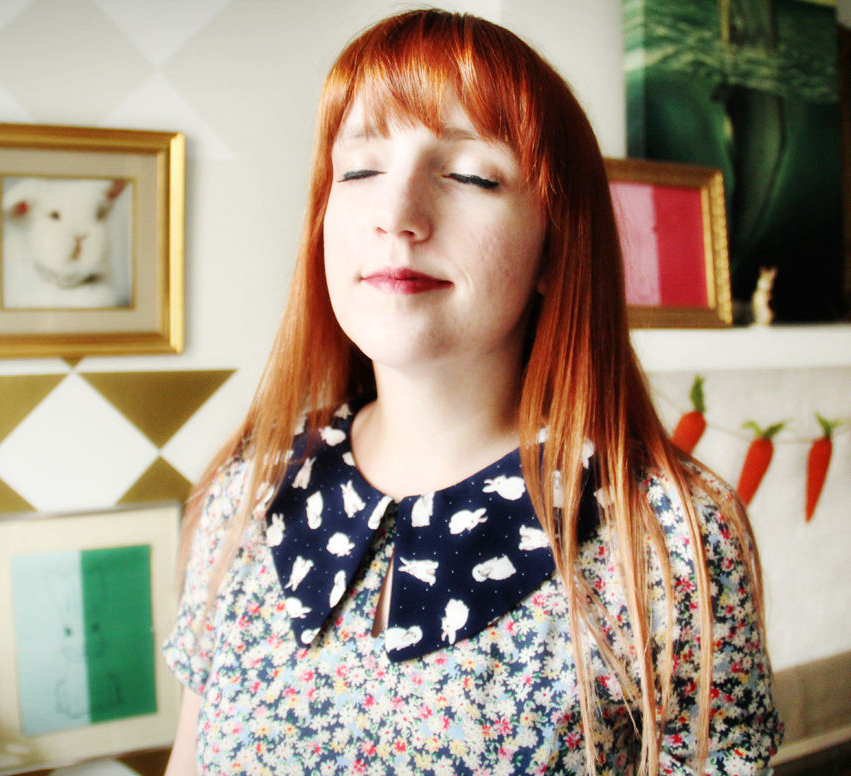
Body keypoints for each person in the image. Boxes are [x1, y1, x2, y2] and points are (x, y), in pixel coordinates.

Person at [163, 9, 782, 775]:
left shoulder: (669, 536)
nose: (396, 215)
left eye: (469, 175)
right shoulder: (246, 493)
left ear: (556, 246)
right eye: (359, 170)